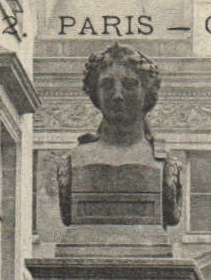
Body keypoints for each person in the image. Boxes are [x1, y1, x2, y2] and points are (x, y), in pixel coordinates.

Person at [57, 43, 181, 227]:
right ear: (95, 94)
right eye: (107, 85)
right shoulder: (74, 160)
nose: (117, 95)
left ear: (147, 93)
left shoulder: (163, 163)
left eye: (129, 85)